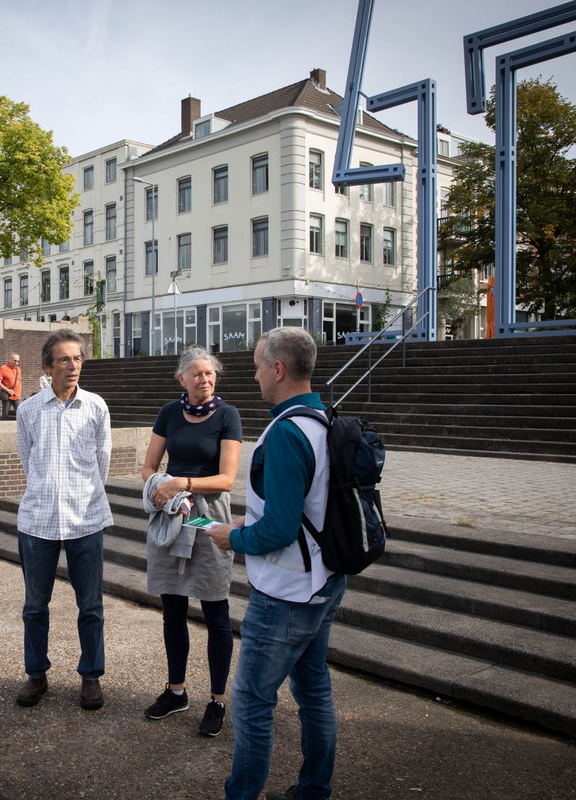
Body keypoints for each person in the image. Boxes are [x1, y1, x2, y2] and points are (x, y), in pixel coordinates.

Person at [205, 328, 344, 800]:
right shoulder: (323, 418)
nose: (256, 373)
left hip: (286, 594)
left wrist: (233, 536)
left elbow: (281, 531)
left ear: (279, 369)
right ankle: (313, 790)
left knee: (251, 704)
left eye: (260, 364)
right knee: (314, 693)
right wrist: (258, 515)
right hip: (324, 581)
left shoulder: (285, 432)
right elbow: (309, 506)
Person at [141, 347, 241, 737]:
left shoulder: (228, 415)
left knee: (216, 611)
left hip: (207, 516)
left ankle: (217, 700)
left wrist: (181, 483)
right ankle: (176, 690)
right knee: (173, 608)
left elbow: (227, 479)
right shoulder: (168, 412)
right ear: (181, 379)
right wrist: (159, 488)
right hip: (173, 515)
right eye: (197, 374)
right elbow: (150, 466)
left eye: (210, 373)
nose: (205, 379)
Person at [13, 329, 112, 711]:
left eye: (78, 359)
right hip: (38, 522)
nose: (73, 366)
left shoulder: (96, 407)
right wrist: (49, 492)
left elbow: (101, 463)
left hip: (85, 521)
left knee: (91, 605)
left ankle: (91, 676)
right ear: (47, 366)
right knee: (35, 606)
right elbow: (28, 461)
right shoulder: (29, 409)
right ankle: (36, 675)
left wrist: (80, 496)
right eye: (64, 360)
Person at [0, 352, 23, 420]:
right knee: (5, 415)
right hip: (7, 396)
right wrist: (8, 390)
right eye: (15, 360)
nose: (16, 362)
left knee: (21, 414)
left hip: (17, 396)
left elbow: (19, 381)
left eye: (18, 361)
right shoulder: (3, 368)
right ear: (10, 359)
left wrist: (20, 392)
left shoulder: (18, 369)